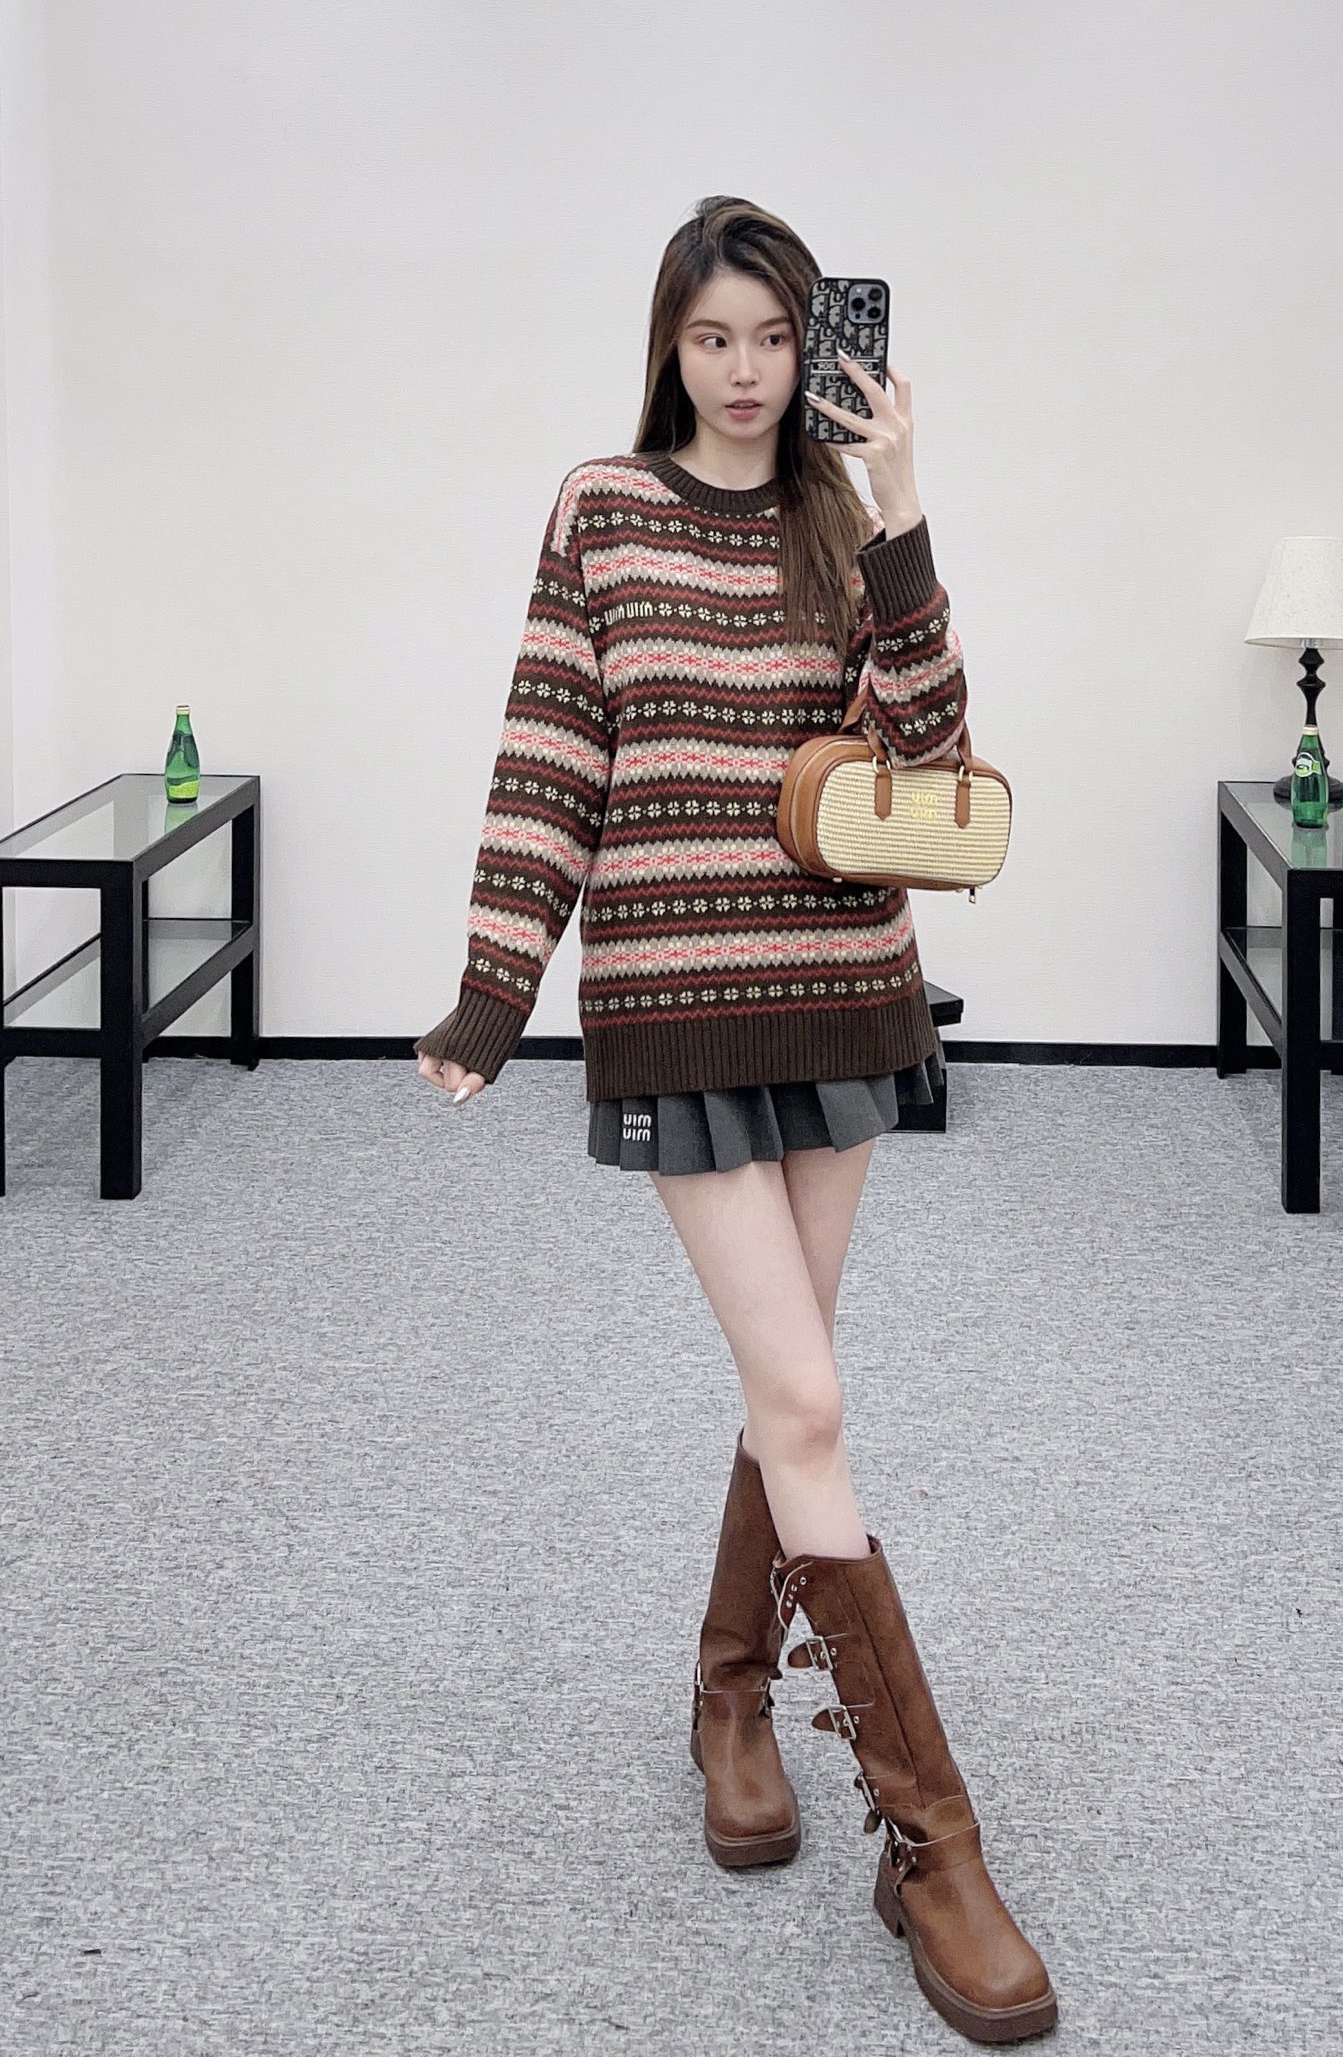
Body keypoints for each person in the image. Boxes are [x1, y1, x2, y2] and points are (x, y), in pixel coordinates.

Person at [414, 195, 1057, 2043]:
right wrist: (496, 984)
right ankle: (934, 1846)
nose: (749, 371)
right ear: (670, 345)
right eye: (715, 337)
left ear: (812, 345)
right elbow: (552, 751)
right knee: (811, 1402)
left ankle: (731, 1692)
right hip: (679, 1012)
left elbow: (930, 756)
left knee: (798, 1394)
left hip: (844, 990)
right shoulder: (603, 509)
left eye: (776, 337)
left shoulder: (843, 523)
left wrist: (904, 508)